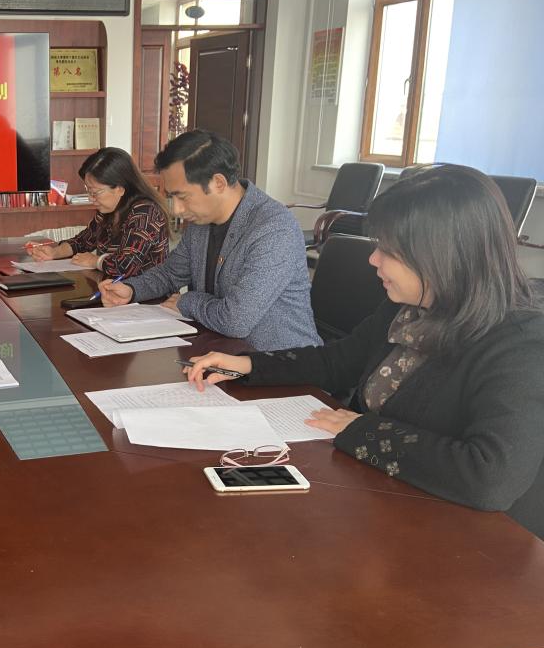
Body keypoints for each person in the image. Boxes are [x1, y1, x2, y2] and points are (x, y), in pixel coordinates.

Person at [185, 164, 544, 538]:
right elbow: (338, 361)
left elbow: (490, 477)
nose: (373, 259)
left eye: (389, 250)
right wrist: (247, 365)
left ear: (442, 256)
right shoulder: (409, 306)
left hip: (466, 540)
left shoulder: (521, 343)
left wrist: (361, 430)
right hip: (383, 498)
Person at [98, 130, 320, 351]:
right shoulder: (202, 222)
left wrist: (187, 301)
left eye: (182, 196)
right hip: (218, 349)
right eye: (172, 197)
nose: (176, 209)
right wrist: (131, 289)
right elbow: (170, 274)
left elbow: (235, 321)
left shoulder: (274, 229)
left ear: (218, 183)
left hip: (278, 362)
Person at [28, 147, 169, 276]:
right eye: (88, 191)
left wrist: (95, 261)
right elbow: (82, 241)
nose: (91, 198)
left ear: (120, 188)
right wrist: (54, 253)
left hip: (146, 293)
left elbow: (126, 265)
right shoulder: (108, 210)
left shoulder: (145, 213)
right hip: (114, 288)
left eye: (95, 192)